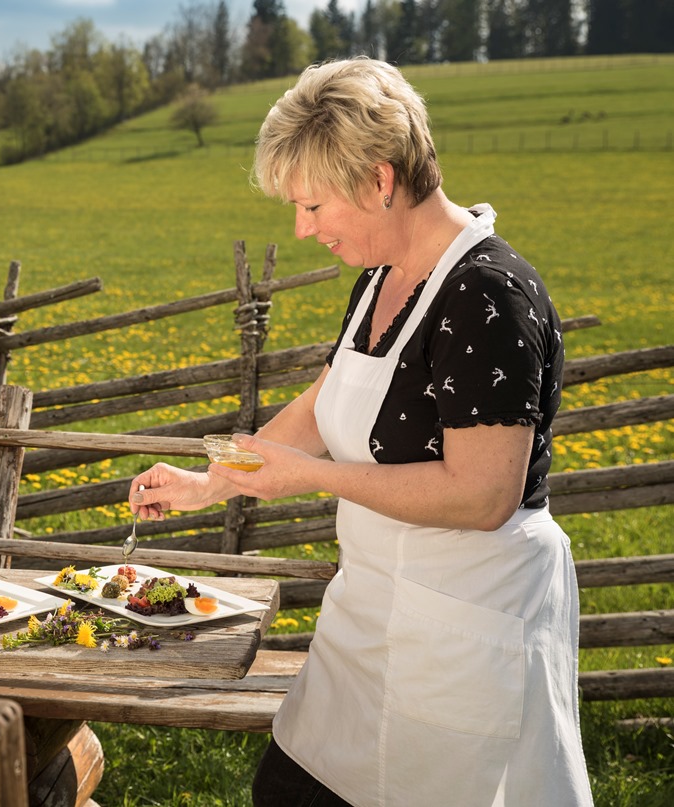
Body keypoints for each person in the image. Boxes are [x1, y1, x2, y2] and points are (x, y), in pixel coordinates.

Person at [128, 58, 593, 807]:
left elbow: (483, 495)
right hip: (370, 619)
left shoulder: (487, 298)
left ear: (380, 180)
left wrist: (308, 478)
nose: (301, 228)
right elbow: (324, 405)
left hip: (463, 632)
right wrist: (210, 479)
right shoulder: (381, 277)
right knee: (289, 790)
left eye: (312, 206)